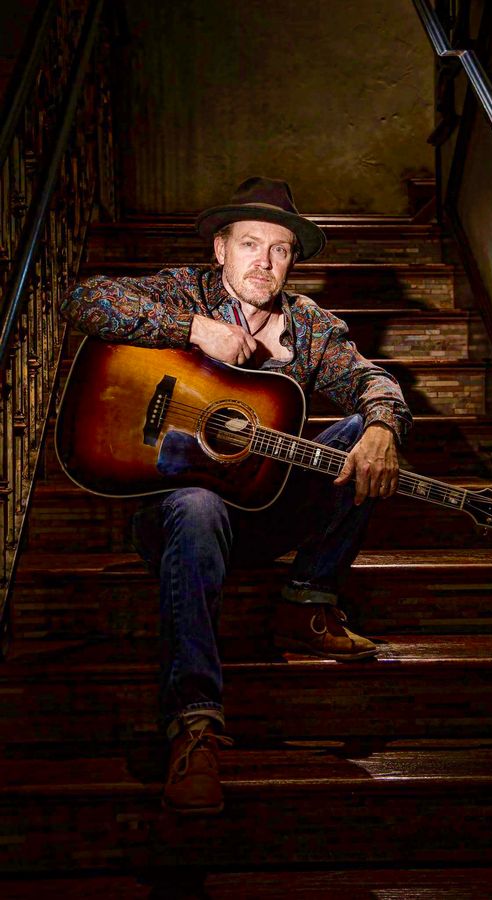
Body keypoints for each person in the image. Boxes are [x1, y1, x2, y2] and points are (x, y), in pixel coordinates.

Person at [62, 176, 412, 816]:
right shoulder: (184, 291)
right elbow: (84, 299)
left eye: (281, 249)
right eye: (251, 244)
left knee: (361, 437)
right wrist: (194, 328)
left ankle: (308, 599)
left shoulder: (308, 324)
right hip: (178, 519)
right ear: (221, 248)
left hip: (263, 512)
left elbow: (372, 380)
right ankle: (193, 727)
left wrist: (384, 426)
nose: (265, 262)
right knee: (198, 504)